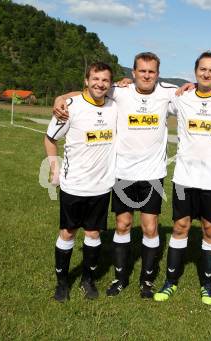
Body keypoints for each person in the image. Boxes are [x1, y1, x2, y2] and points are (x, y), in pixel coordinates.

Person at [53, 52, 178, 298]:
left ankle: (147, 281)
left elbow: (200, 88)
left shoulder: (167, 93)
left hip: (153, 173)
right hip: (122, 172)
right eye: (142, 70)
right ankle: (120, 278)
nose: (146, 75)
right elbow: (88, 93)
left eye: (151, 71)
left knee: (150, 227)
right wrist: (60, 97)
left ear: (158, 74)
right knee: (123, 224)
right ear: (133, 73)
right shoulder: (119, 91)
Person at [153, 51, 211, 305]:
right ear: (195, 72)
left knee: (210, 229)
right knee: (180, 227)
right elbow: (146, 90)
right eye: (203, 69)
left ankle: (207, 286)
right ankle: (170, 282)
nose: (206, 74)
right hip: (184, 177)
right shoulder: (183, 97)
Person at [45, 62, 117, 302]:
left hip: (101, 186)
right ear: (86, 80)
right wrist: (54, 168)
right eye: (95, 79)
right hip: (73, 184)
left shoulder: (114, 107)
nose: (100, 84)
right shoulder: (70, 107)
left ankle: (87, 280)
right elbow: (49, 139)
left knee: (94, 233)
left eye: (105, 80)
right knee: (67, 232)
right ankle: (62, 284)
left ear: (110, 84)